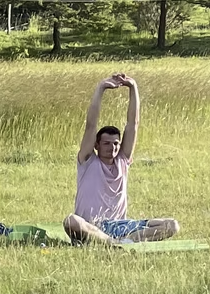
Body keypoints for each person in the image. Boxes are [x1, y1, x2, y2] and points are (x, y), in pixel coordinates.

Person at [65, 74, 180, 246]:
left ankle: (125, 241)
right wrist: (101, 88)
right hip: (91, 226)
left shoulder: (122, 161)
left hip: (120, 227)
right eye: (106, 143)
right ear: (96, 145)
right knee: (71, 221)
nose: (112, 148)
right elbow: (91, 125)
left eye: (116, 144)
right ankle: (114, 243)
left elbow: (133, 124)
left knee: (172, 225)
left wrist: (133, 86)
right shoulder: (88, 161)